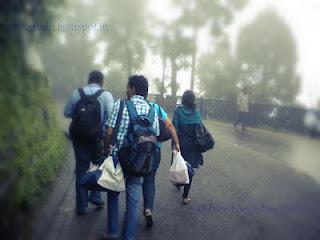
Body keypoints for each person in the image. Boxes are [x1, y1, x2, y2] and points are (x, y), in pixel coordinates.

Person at [103, 75, 159, 240]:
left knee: (113, 194)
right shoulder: (152, 110)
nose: (126, 90)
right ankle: (128, 236)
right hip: (140, 161)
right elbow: (154, 135)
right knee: (133, 200)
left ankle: (113, 232)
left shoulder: (120, 105)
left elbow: (109, 132)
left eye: (128, 87)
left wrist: (106, 149)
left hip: (119, 158)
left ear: (133, 88)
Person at [64, 70, 114, 214]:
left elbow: (67, 113)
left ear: (88, 80)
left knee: (81, 168)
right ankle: (96, 196)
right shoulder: (106, 95)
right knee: (98, 166)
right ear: (102, 81)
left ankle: (81, 205)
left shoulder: (77, 93)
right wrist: (105, 137)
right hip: (97, 138)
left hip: (79, 137)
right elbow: (110, 118)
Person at [142, 96, 180, 229]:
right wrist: (176, 143)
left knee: (133, 182)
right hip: (154, 151)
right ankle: (148, 210)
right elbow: (169, 126)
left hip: (134, 152)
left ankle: (130, 211)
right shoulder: (157, 108)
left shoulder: (132, 107)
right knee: (149, 180)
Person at [172, 90, 203, 205]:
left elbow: (174, 128)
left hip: (181, 143)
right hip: (193, 145)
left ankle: (178, 182)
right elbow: (199, 128)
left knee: (180, 165)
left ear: (183, 99)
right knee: (190, 170)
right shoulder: (196, 112)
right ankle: (185, 196)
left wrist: (174, 144)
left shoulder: (178, 111)